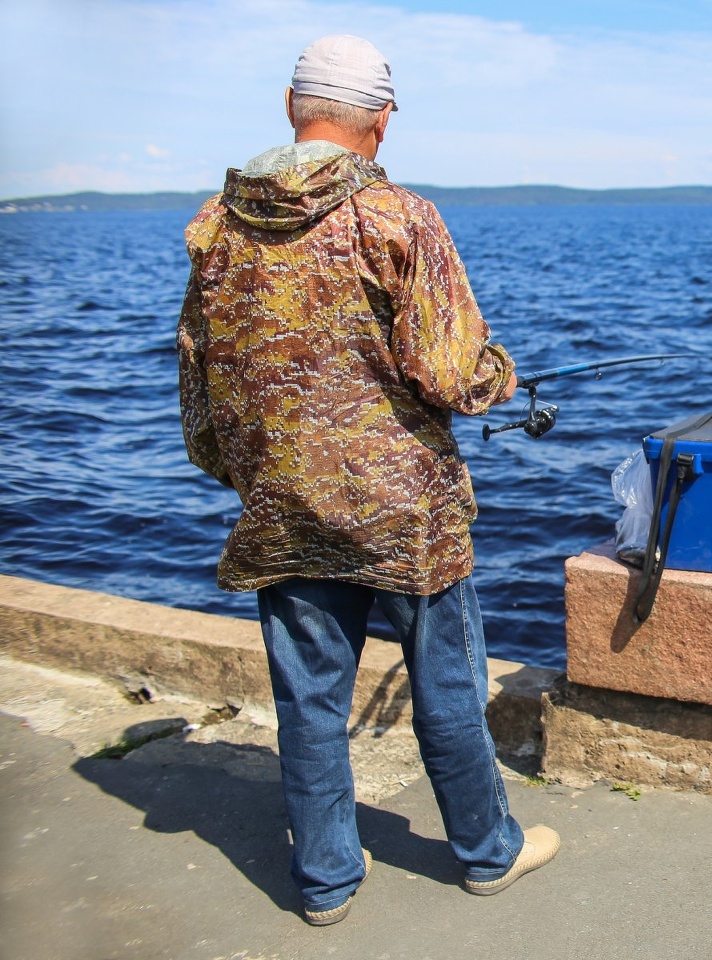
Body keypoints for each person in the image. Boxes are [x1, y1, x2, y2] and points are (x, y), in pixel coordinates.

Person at [176, 34, 559, 926]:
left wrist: (249, 473)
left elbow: (198, 380)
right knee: (450, 684)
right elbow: (455, 374)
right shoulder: (399, 218)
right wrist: (502, 375)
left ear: (290, 105)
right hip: (405, 513)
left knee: (309, 697)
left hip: (281, 504)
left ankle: (324, 880)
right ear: (382, 121)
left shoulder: (213, 226)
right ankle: (486, 852)